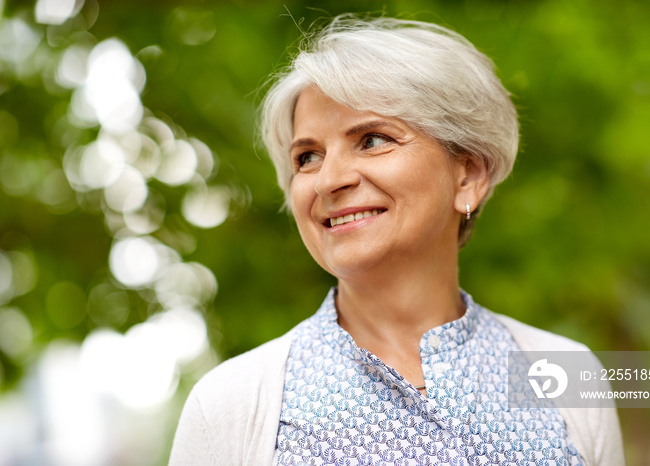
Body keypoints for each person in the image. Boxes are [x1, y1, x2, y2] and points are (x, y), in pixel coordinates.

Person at [169, 15, 624, 465]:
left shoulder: (568, 375)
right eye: (307, 156)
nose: (328, 180)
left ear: (468, 176)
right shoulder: (229, 404)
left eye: (372, 140)